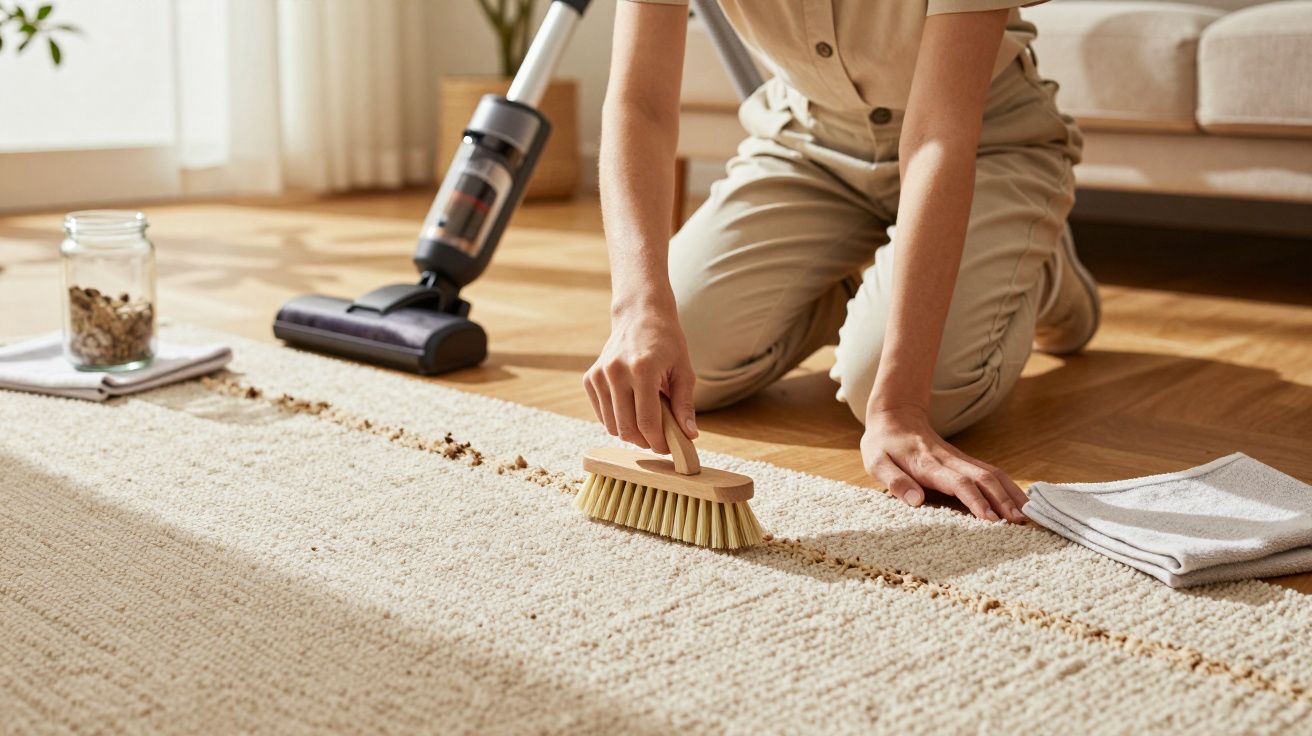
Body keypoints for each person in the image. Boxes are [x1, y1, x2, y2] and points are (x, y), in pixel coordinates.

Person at [584, 0, 1097, 524]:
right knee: (686, 360)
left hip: (980, 141)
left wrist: (900, 407)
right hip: (811, 144)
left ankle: (1036, 269)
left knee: (916, 392)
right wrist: (638, 307)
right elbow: (640, 103)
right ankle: (866, 287)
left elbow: (939, 134)